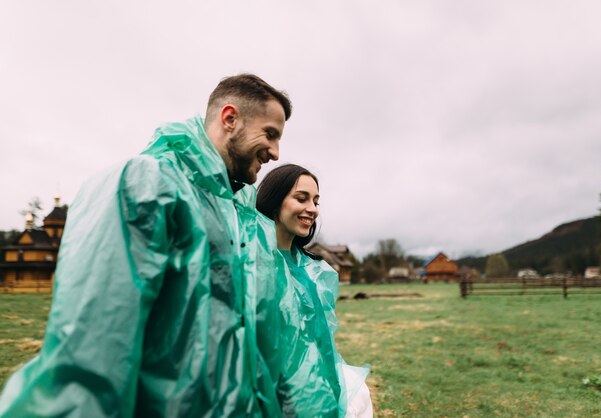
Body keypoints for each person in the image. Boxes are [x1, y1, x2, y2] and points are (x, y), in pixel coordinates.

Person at [0, 74, 291, 417]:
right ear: (230, 119)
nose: (275, 152)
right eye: (270, 134)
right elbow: (96, 345)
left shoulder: (237, 212)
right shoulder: (148, 185)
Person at [255, 164, 373, 418]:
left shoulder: (310, 269)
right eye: (302, 198)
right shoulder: (256, 263)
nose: (313, 209)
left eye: (316, 201)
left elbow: (322, 342)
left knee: (361, 393)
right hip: (278, 397)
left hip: (318, 386)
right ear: (275, 201)